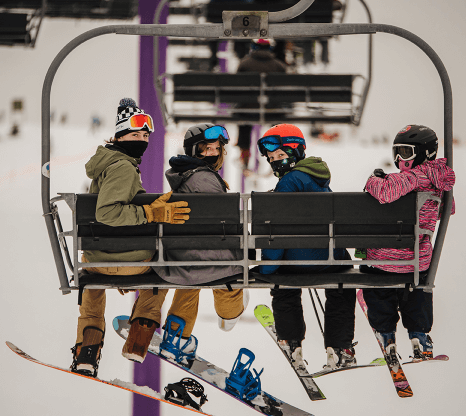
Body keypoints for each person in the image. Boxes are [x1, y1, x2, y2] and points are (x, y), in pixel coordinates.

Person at [70, 98, 191, 377]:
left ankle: (87, 350)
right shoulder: (123, 166)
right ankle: (139, 338)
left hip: (97, 260)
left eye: (146, 135)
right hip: (132, 262)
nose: (143, 140)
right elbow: (107, 213)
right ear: (120, 136)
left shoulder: (105, 164)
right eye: (136, 134)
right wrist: (150, 213)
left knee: (91, 279)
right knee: (160, 273)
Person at [255, 124, 357, 370]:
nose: (275, 161)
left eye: (280, 155)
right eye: (271, 158)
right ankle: (340, 347)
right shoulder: (319, 178)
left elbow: (276, 234)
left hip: (295, 264)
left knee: (283, 286)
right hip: (330, 262)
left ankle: (291, 341)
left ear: (296, 152)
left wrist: (268, 270)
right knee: (341, 288)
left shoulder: (288, 183)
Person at [148, 123, 250, 362]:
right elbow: (223, 220)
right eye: (206, 149)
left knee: (190, 281)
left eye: (216, 149)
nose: (213, 153)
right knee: (231, 282)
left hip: (184, 260)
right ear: (194, 151)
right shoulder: (206, 179)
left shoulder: (182, 177)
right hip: (218, 261)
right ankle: (230, 313)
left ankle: (177, 337)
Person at [360, 124, 456, 362]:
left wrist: (373, 180)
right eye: (397, 153)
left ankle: (386, 335)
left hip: (384, 261)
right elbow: (449, 209)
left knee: (377, 285)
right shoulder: (439, 180)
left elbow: (385, 193)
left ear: (426, 153)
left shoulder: (414, 176)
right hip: (417, 262)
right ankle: (419, 334)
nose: (400, 159)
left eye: (407, 152)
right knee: (417, 290)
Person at [236, 39, 287, 172]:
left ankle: (244, 156)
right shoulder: (279, 66)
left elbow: (236, 88)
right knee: (277, 126)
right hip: (273, 110)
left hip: (248, 109)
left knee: (244, 124)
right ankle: (278, 155)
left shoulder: (244, 64)